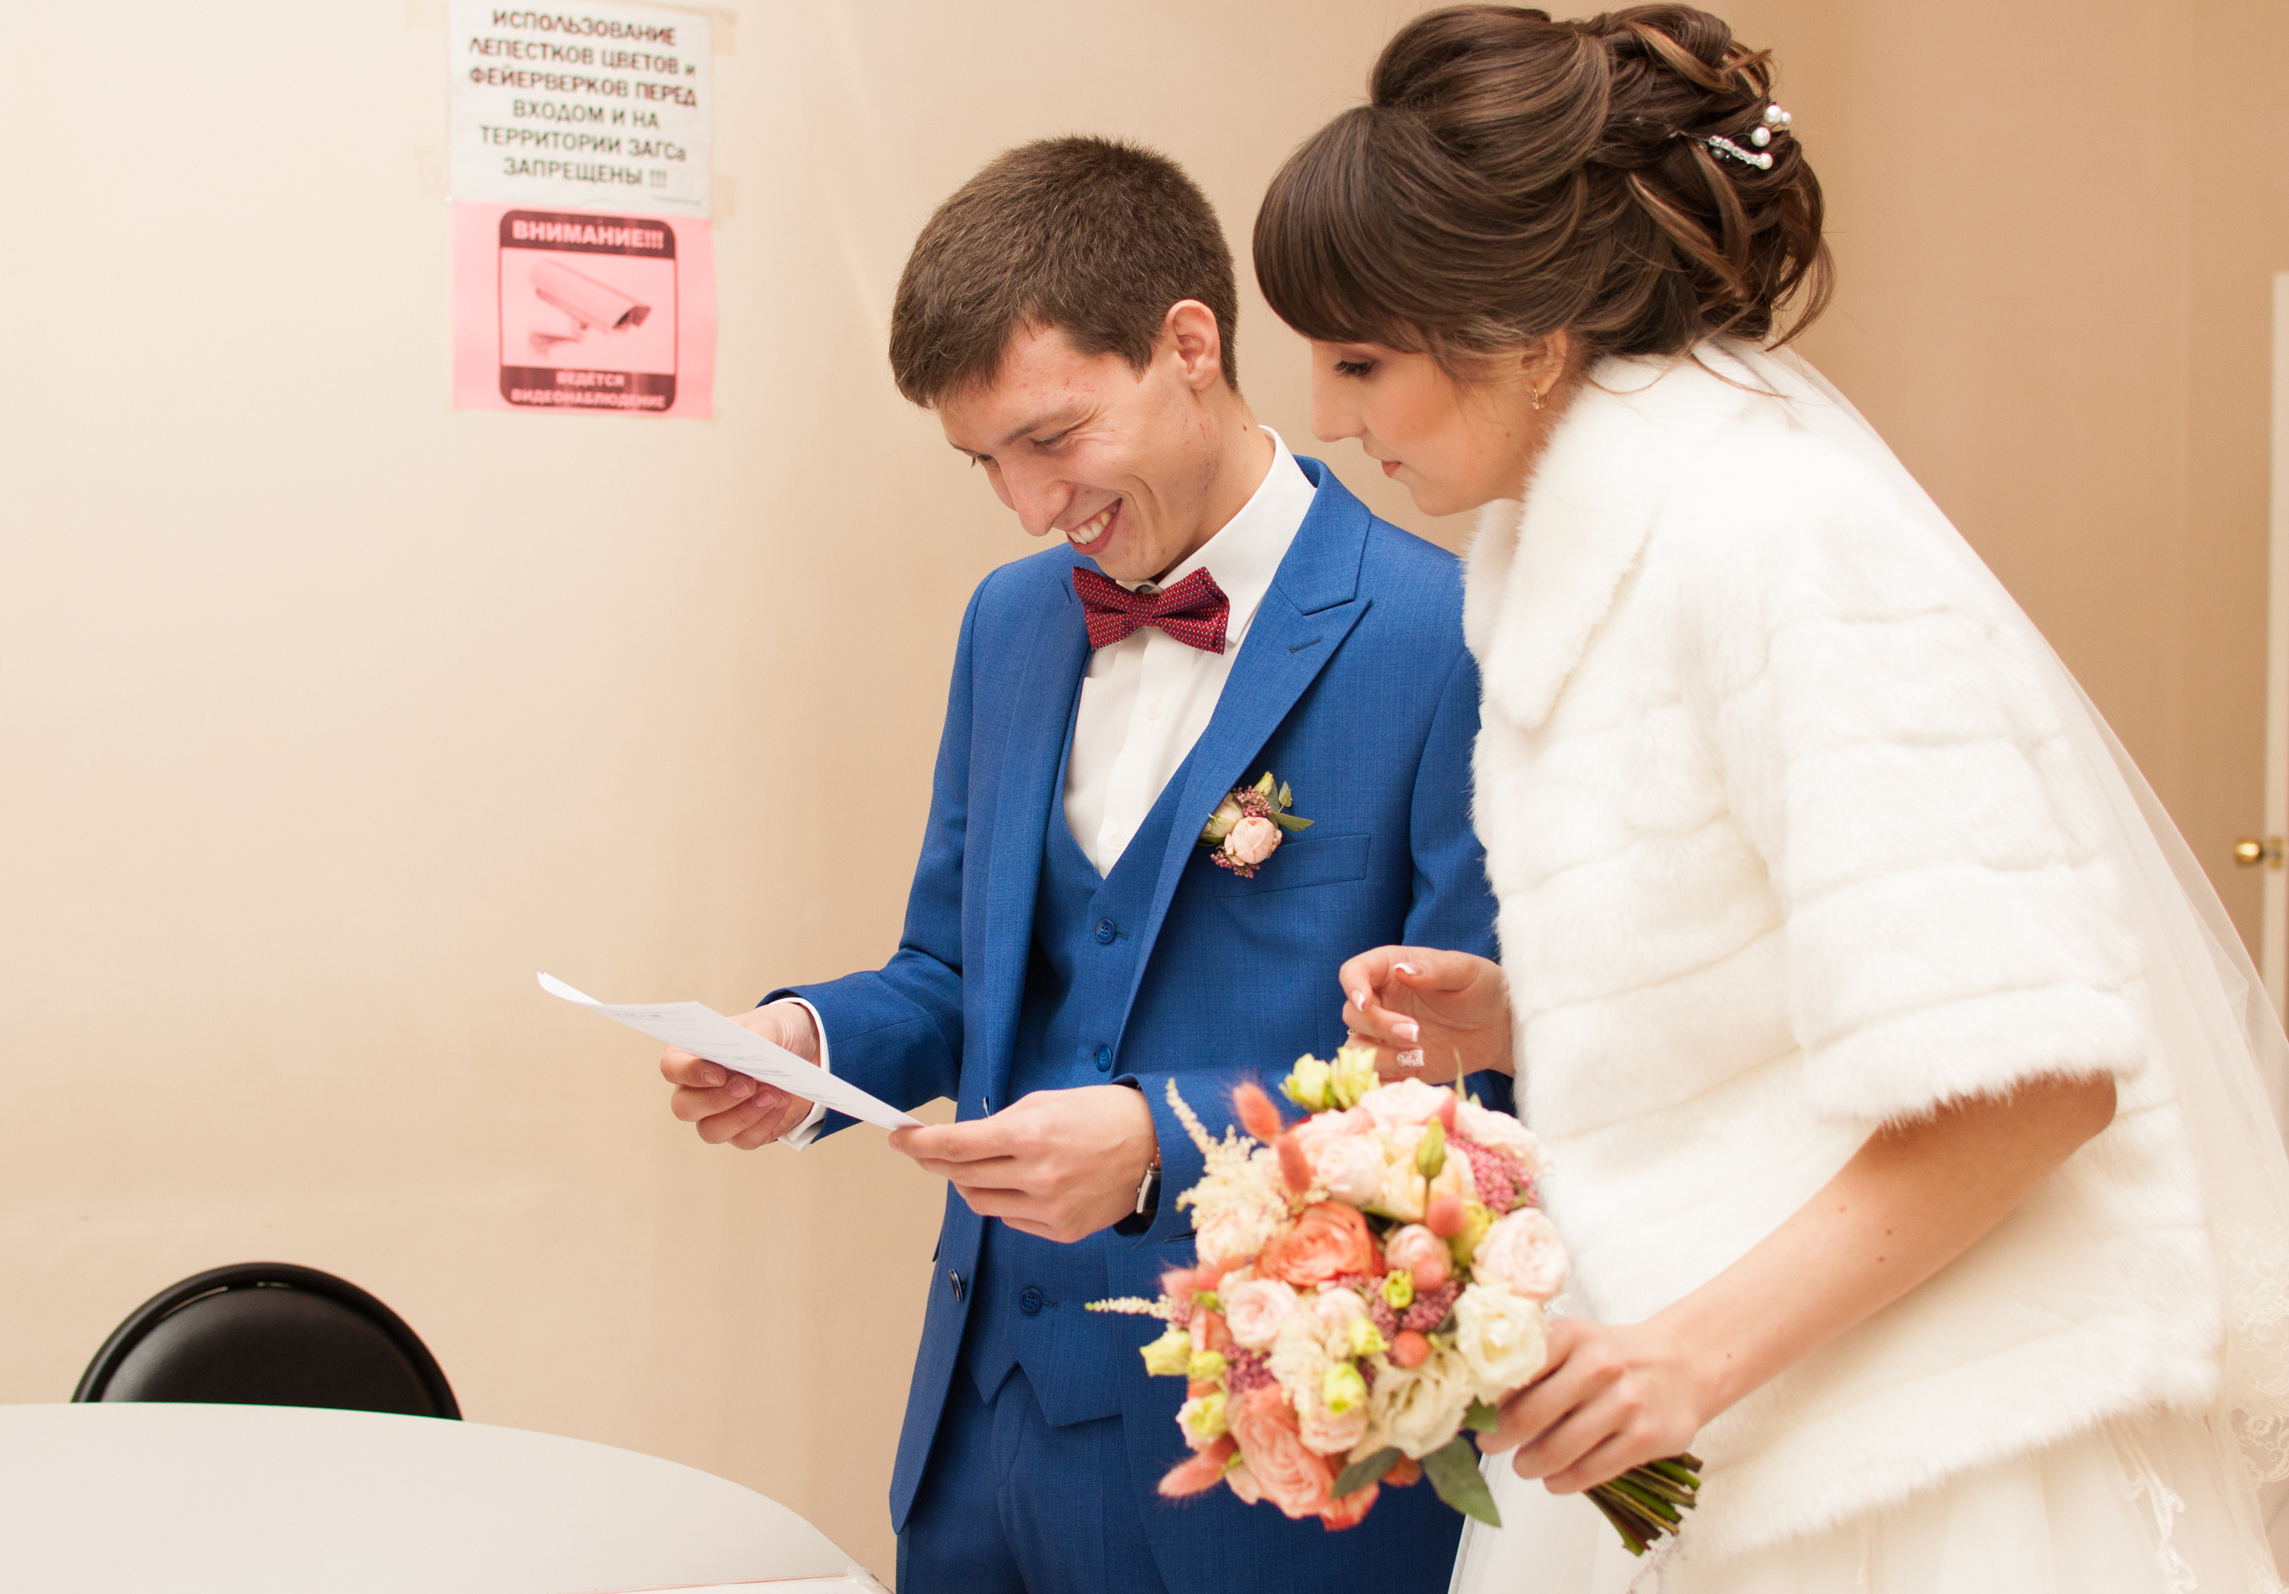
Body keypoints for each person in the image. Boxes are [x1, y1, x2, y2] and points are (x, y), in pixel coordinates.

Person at [1252, 6, 2289, 1592]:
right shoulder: (1559, 558)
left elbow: (2038, 1079)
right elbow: (1811, 984)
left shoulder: (1776, 539)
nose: (1330, 418)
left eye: (1362, 361)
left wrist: (1686, 1358)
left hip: (1924, 1446)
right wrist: (1530, 1015)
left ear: (1528, 329)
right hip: (1728, 1413)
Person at [658, 137, 1507, 1591]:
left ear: (1190, 343)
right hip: (983, 1432)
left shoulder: (1446, 637)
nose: (1030, 506)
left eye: (1051, 440)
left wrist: (1160, 1144)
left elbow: (1473, 1091)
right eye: (985, 461)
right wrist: (803, 1045)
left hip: (1274, 1463)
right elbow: (953, 971)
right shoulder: (1011, 622)